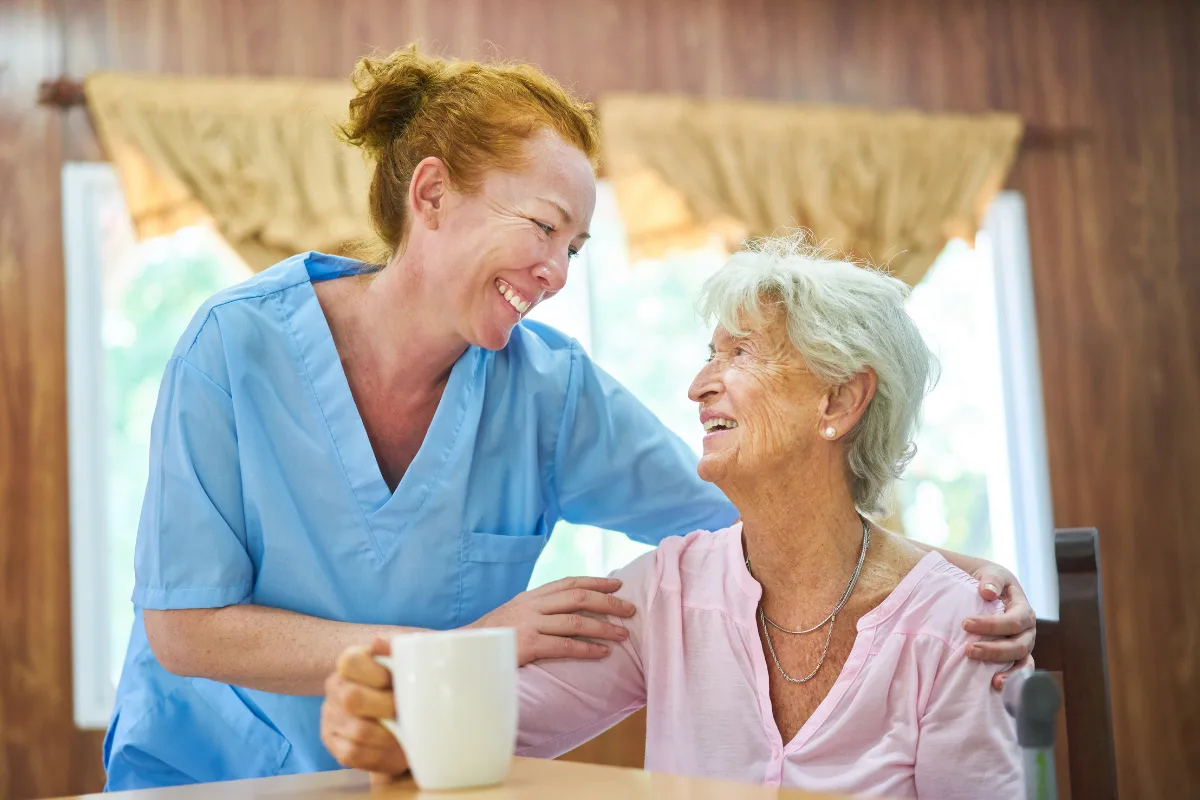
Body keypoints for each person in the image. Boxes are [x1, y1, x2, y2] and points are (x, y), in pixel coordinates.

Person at [104, 46, 1034, 791]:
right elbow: (187, 629)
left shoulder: (548, 389)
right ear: (430, 196)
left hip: (423, 780)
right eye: (543, 228)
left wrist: (953, 579)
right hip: (211, 773)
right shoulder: (234, 348)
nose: (556, 271)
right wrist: (466, 649)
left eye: (576, 247)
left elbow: (761, 511)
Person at [322, 236, 1026, 797]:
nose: (697, 386)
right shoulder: (666, 592)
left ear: (839, 402)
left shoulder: (957, 630)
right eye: (708, 354)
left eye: (741, 353)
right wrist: (384, 720)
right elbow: (476, 728)